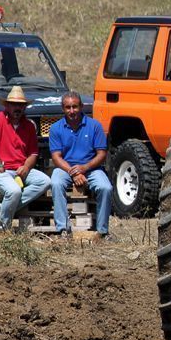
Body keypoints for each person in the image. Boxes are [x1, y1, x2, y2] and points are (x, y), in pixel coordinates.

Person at [0, 86, 50, 230]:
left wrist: (26, 167)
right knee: (14, 191)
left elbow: (33, 154)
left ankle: (1, 209)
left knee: (45, 182)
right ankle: (3, 228)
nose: (17, 108)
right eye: (14, 104)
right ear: (7, 106)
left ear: (25, 107)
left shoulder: (29, 125)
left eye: (21, 105)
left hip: (20, 170)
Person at [49, 91, 113, 238]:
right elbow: (56, 157)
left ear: (82, 106)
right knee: (56, 183)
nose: (72, 111)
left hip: (91, 167)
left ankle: (103, 231)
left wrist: (84, 168)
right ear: (63, 109)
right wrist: (74, 172)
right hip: (65, 168)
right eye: (68, 107)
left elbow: (102, 153)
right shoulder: (56, 128)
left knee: (106, 187)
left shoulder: (94, 126)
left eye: (75, 107)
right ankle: (63, 229)